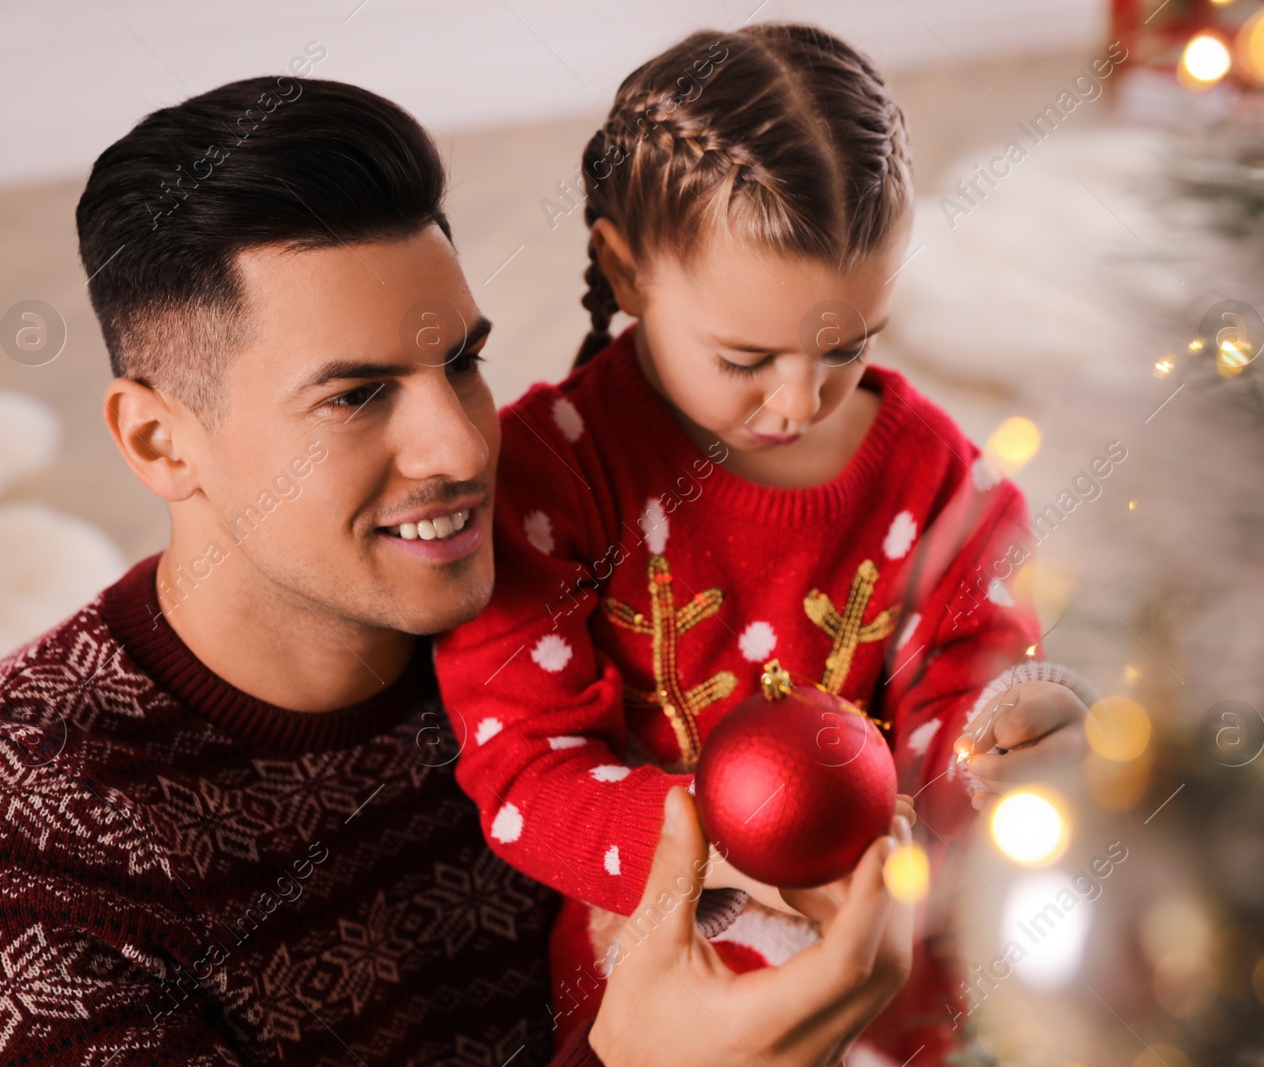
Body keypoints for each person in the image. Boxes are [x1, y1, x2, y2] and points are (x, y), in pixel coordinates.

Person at [0, 76, 917, 1066]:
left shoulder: (587, 604)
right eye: (356, 396)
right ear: (157, 443)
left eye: (460, 362)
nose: (461, 446)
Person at [432, 24, 1096, 1064]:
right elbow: (525, 771)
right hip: (659, 970)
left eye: (846, 346)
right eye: (745, 355)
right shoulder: (549, 477)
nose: (797, 399)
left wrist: (1011, 742)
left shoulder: (939, 478)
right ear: (625, 267)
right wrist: (733, 846)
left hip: (892, 961)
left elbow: (968, 700)